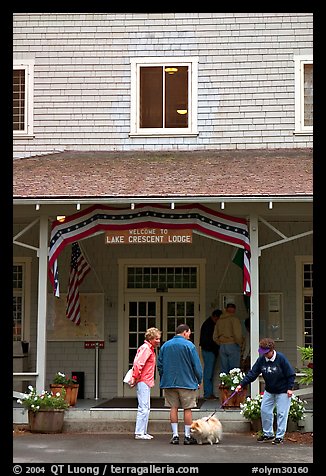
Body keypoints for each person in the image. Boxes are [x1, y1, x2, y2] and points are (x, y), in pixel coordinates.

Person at [235, 337, 296, 445]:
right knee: (265, 410)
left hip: (283, 391)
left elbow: (291, 374)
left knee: (282, 413)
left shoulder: (281, 358)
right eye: (263, 352)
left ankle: (280, 436)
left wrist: (289, 388)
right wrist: (242, 384)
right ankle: (268, 434)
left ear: (272, 350)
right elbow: (252, 373)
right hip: (269, 390)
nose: (264, 355)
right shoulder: (261, 360)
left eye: (266, 353)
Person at [157, 323, 203, 445]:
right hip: (187, 382)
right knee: (187, 408)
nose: (189, 336)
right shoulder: (190, 346)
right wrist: (199, 379)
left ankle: (175, 435)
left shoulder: (165, 346)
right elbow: (196, 366)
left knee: (173, 408)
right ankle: (187, 436)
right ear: (185, 332)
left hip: (169, 382)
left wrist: (164, 376)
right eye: (189, 333)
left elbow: (160, 365)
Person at [129, 327, 162, 440]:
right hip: (143, 380)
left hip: (145, 380)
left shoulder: (149, 349)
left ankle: (143, 431)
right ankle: (139, 432)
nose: (158, 341)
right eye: (156, 339)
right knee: (143, 407)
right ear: (151, 338)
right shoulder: (146, 349)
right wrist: (134, 377)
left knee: (146, 407)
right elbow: (138, 364)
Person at [212, 303, 243, 374]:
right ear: (234, 310)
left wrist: (220, 342)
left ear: (226, 309)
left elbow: (214, 337)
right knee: (234, 370)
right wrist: (240, 344)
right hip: (233, 344)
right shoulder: (234, 319)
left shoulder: (219, 320)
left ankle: (224, 384)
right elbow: (237, 335)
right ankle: (233, 385)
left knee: (224, 370)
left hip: (222, 346)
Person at [199, 308, 222, 399]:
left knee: (210, 372)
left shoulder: (208, 324)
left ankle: (209, 393)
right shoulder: (209, 325)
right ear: (215, 317)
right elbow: (208, 340)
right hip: (209, 351)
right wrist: (215, 347)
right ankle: (207, 394)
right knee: (208, 372)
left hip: (209, 350)